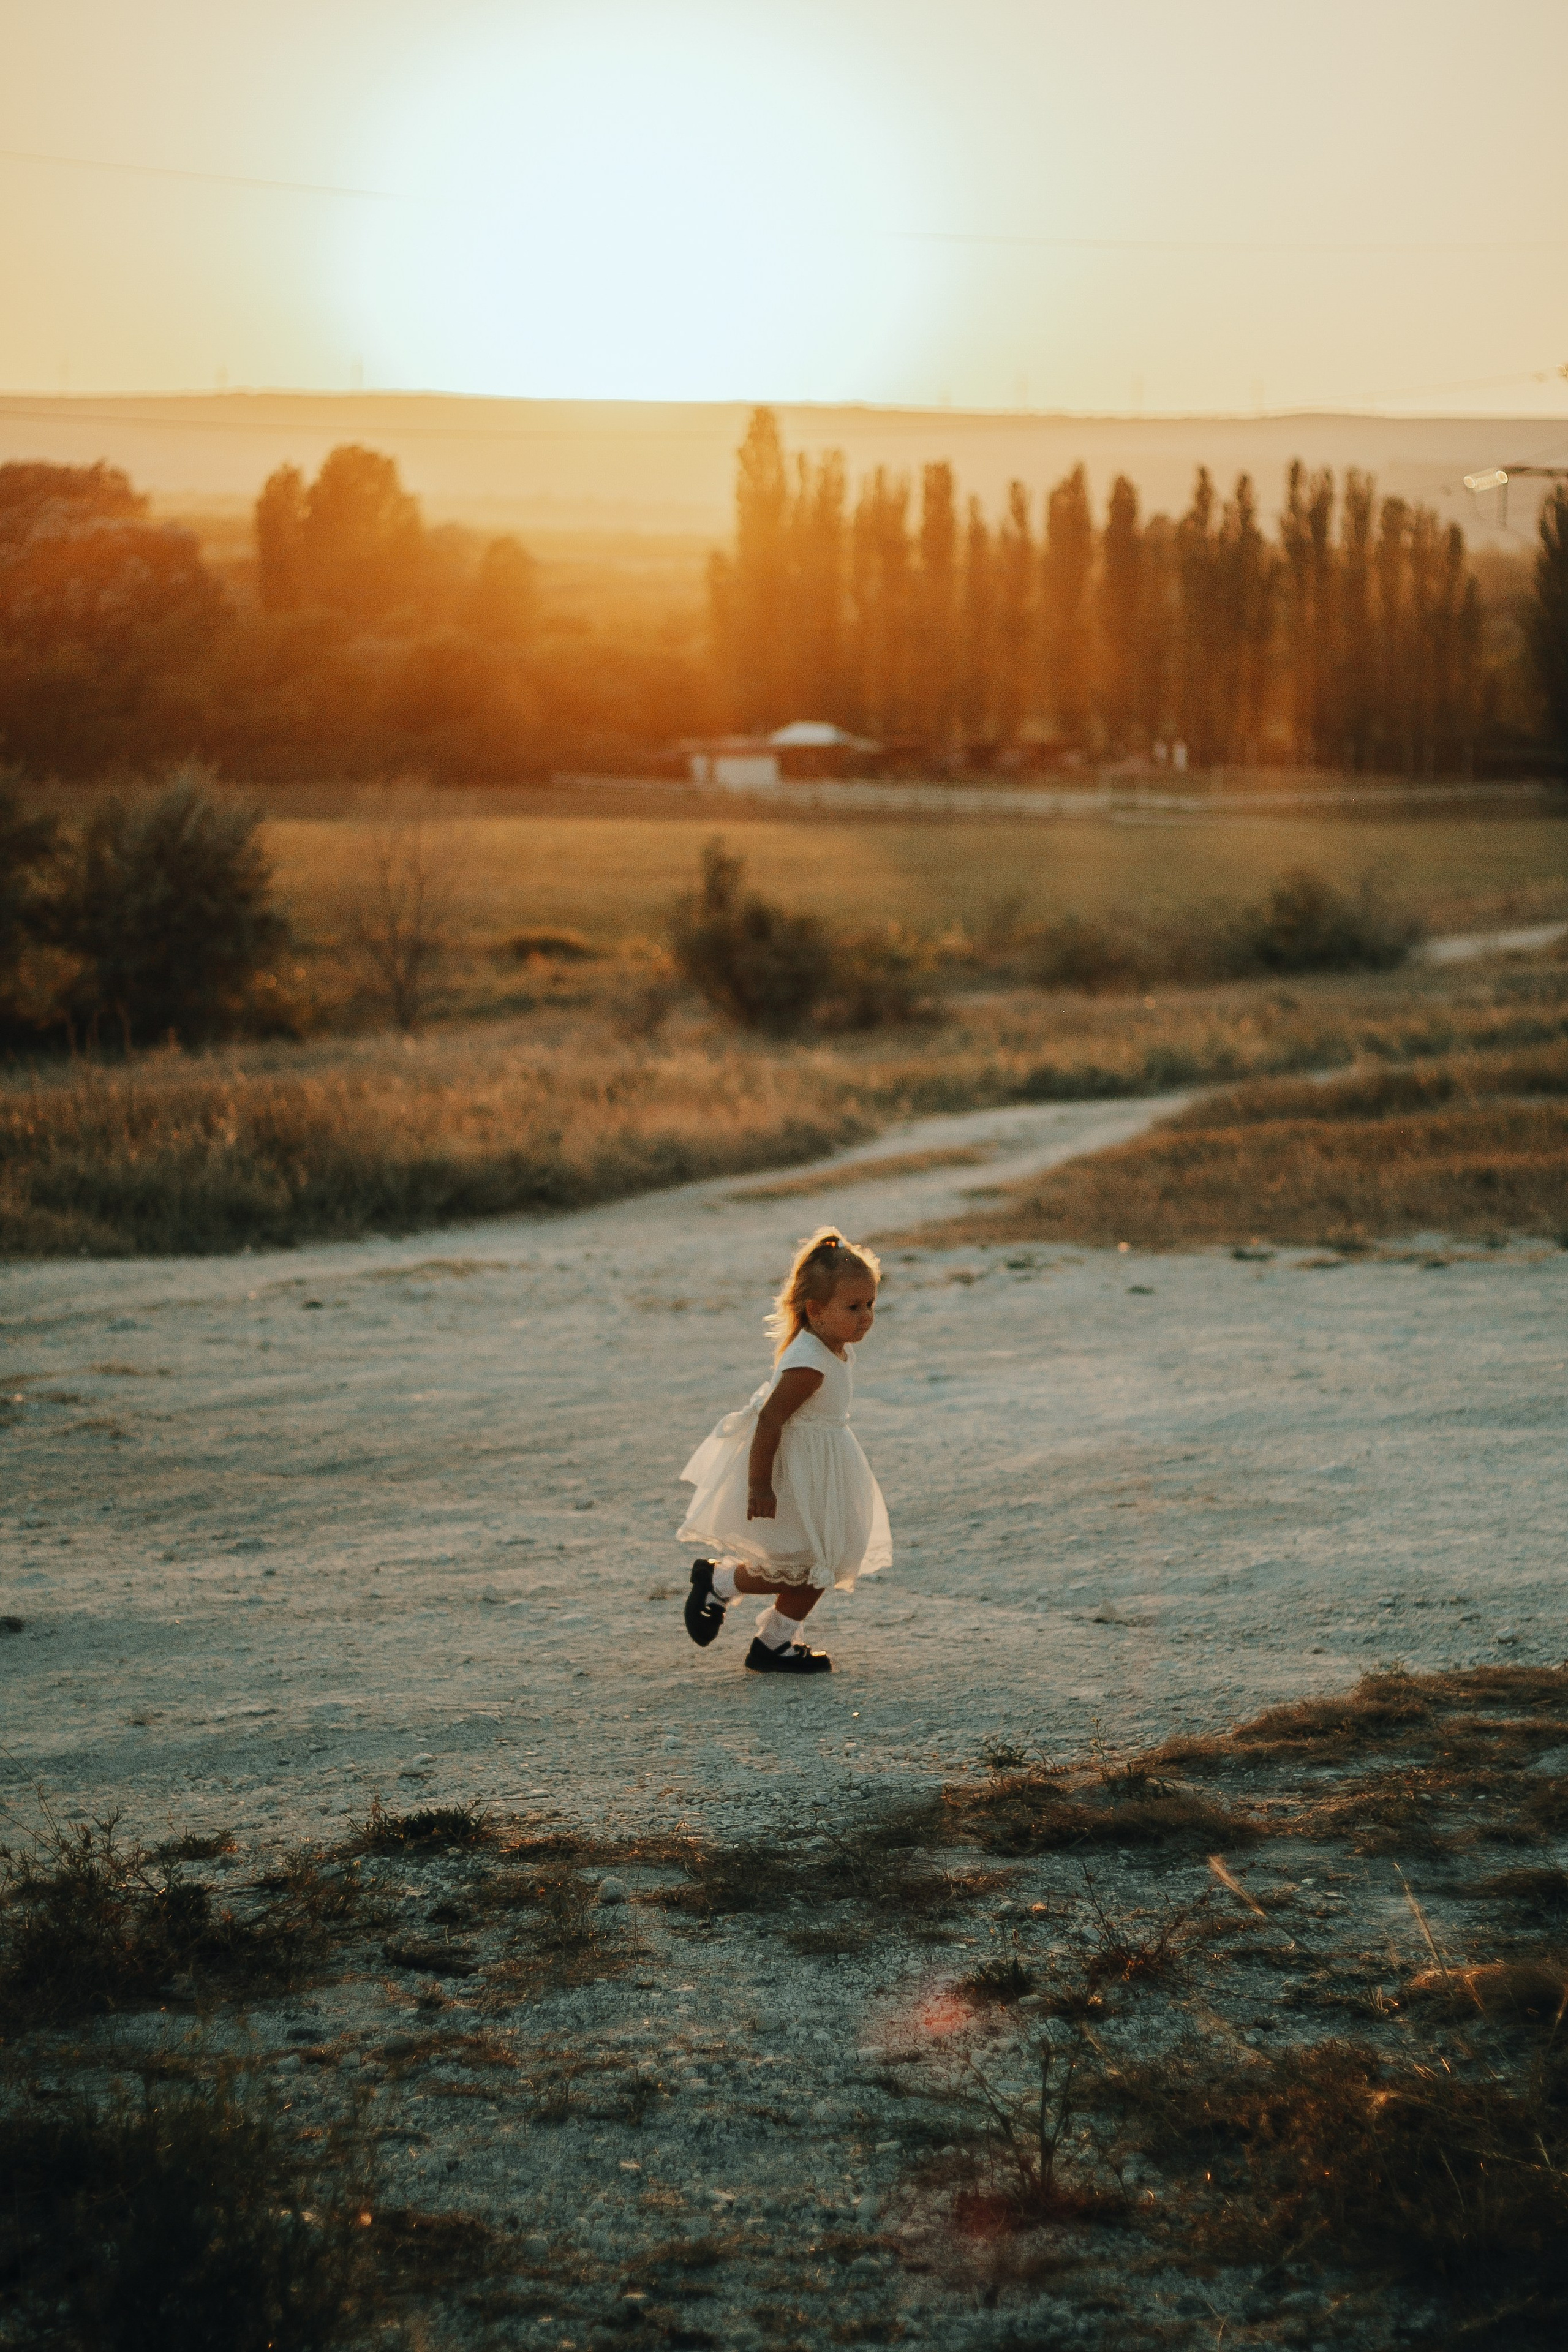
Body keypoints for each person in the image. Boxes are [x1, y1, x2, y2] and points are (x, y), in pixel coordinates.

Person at [677, 1226, 891, 1675]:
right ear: (815, 1310)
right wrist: (759, 1484)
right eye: (853, 1307)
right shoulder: (808, 1364)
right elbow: (770, 1420)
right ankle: (723, 1588)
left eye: (871, 1304)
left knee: (821, 1561)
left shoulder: (833, 1346)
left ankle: (770, 1639)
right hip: (794, 1472)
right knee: (807, 1563)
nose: (867, 1316)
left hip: (822, 1465)